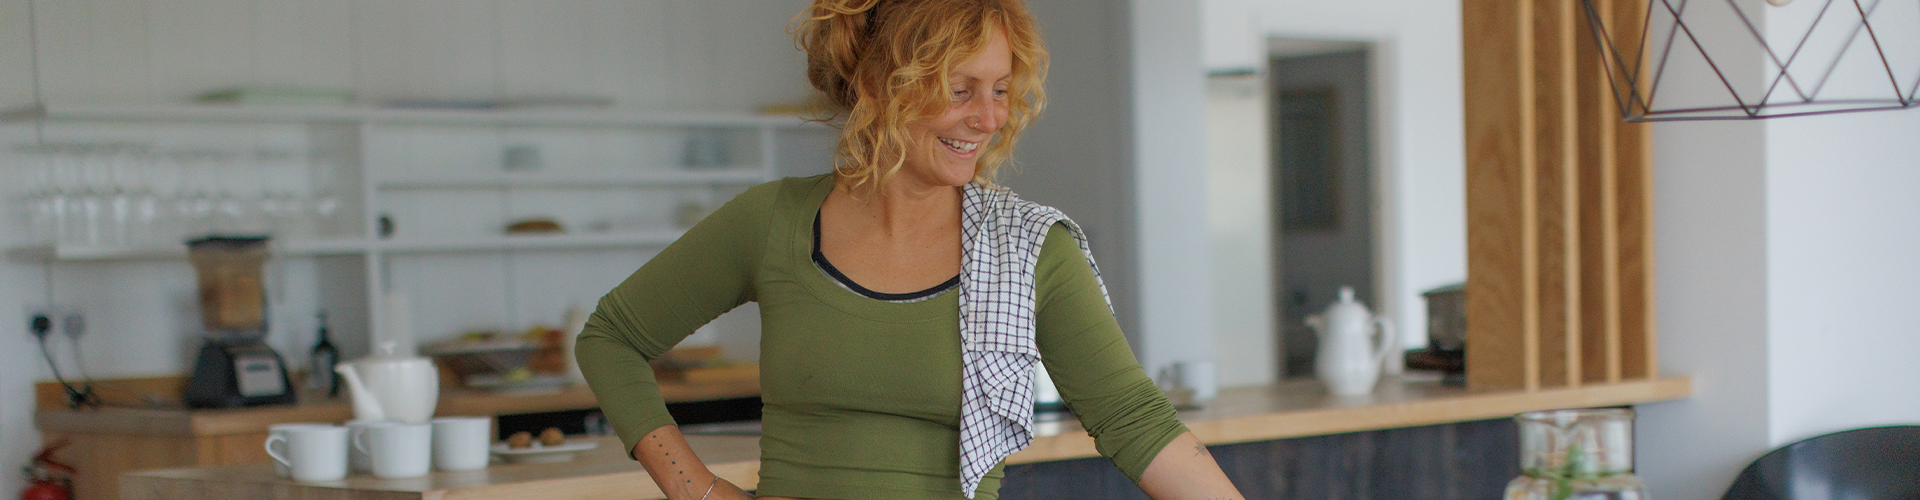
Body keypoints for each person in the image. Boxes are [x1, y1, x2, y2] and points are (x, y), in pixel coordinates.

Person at [574, 1, 1246, 499]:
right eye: (961, 91)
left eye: (1001, 91)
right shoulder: (773, 222)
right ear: (886, 86)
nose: (988, 119)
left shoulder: (1027, 249)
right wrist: (697, 489)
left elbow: (1136, 421)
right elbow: (611, 337)